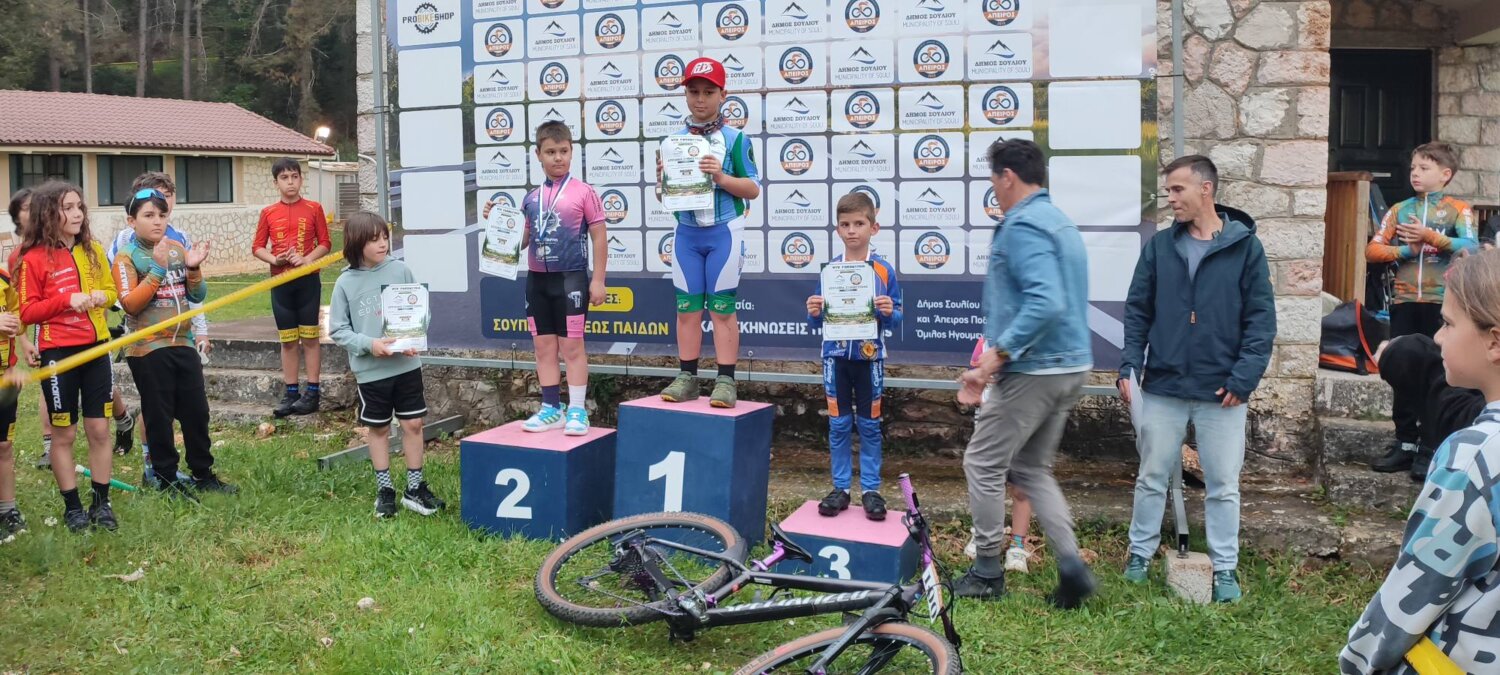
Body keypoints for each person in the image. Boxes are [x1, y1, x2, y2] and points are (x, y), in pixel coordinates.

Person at [1117, 155, 1276, 603]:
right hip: (1163, 386)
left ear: (1206, 189)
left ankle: (1225, 569)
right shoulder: (1160, 246)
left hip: (1222, 391)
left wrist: (1243, 378)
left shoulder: (1246, 248)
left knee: (1223, 486)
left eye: (1177, 189)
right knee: (1151, 476)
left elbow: (1261, 321)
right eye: (1168, 190)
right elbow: (1137, 310)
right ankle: (1139, 556)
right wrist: (1129, 365)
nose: (1170, 198)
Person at [1340, 248, 1500, 674]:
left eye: (1447, 323)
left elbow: (1419, 587)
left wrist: (1359, 660)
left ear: (1494, 341)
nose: (1439, 338)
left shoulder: (1474, 455)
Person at [952, 139, 1095, 608]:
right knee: (1031, 468)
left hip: (1035, 368)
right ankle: (1072, 569)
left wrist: (996, 356)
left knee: (982, 462)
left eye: (994, 180)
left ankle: (986, 570)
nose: (994, 189)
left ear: (1008, 177)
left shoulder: (1022, 225)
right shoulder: (1059, 221)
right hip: (1070, 365)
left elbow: (1045, 301)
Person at [485, 120, 608, 434]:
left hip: (571, 280)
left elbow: (599, 237)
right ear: (538, 154)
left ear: (572, 152)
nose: (558, 158)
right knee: (543, 348)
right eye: (551, 152)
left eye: (563, 151)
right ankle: (551, 408)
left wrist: (598, 280)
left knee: (572, 347)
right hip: (537, 281)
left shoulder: (584, 192)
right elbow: (523, 241)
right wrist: (498, 221)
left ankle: (577, 409)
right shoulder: (531, 198)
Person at [113, 188, 235, 497]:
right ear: (131, 221)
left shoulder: (178, 249)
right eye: (148, 215)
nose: (157, 221)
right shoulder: (126, 257)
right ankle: (166, 477)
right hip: (148, 347)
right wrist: (157, 268)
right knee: (159, 414)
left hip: (183, 342)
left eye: (162, 214)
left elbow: (196, 294)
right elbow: (130, 304)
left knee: (197, 412)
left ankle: (203, 474)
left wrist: (193, 268)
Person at [1364, 143, 1478, 476]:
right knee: (1401, 369)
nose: (1415, 173)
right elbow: (1373, 250)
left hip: (1442, 306)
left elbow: (1470, 247)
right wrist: (1406, 251)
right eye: (1413, 167)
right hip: (1404, 301)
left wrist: (1431, 237)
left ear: (1445, 174)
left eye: (1424, 168)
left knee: (1439, 373)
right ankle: (1404, 441)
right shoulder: (1399, 209)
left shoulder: (1458, 210)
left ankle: (1430, 444)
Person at [654, 57, 760, 408]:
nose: (700, 99)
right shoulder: (672, 142)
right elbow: (664, 196)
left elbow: (753, 188)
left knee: (722, 309)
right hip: (686, 234)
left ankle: (726, 380)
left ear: (723, 95)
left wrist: (721, 177)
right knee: (686, 309)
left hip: (723, 232)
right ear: (685, 94)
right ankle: (687, 377)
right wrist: (663, 183)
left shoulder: (735, 139)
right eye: (694, 91)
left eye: (708, 92)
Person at [15, 181, 119, 532]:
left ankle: (101, 504)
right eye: (68, 208)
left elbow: (111, 290)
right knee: (65, 434)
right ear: (48, 213)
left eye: (79, 207)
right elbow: (27, 312)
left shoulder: (93, 250)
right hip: (58, 353)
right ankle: (72, 508)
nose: (77, 214)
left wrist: (102, 297)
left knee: (99, 429)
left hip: (97, 348)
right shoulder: (32, 259)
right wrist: (66, 300)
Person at [328, 212, 445, 518]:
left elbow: (421, 311)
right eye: (374, 239)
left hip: (406, 366)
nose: (382, 244)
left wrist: (415, 337)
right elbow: (338, 329)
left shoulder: (400, 270)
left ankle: (414, 489)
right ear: (356, 243)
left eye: (384, 237)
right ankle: (385, 490)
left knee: (413, 424)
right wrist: (371, 344)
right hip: (371, 373)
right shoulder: (344, 283)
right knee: (378, 428)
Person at [806, 192, 902, 521]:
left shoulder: (884, 271)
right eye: (845, 224)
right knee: (838, 424)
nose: (852, 231)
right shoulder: (831, 271)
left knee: (870, 425)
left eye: (859, 224)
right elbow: (818, 321)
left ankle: (871, 490)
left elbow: (897, 317)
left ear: (873, 228)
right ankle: (841, 489)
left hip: (870, 360)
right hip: (835, 359)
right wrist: (813, 311)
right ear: (837, 229)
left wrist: (889, 311)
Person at [252, 158, 330, 418]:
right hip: (280, 283)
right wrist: (275, 259)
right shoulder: (268, 212)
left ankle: (313, 392)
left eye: (294, 176)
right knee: (287, 341)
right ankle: (291, 392)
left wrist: (307, 259)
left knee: (310, 338)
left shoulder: (314, 208)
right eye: (284, 178)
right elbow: (257, 247)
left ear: (301, 179)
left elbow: (325, 243)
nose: (290, 182)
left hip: (308, 281)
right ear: (276, 182)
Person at [6, 189, 48, 471]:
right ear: (16, 217)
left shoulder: (62, 245)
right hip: (44, 327)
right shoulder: (16, 258)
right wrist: (24, 342)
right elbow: (16, 308)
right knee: (49, 379)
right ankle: (49, 446)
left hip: (82, 326)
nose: (34, 212)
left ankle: (122, 418)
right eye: (26, 208)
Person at [0, 237, 27, 540]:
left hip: (4, 381)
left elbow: (18, 321)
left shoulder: (3, 279)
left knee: (3, 446)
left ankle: (7, 510)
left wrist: (11, 366)